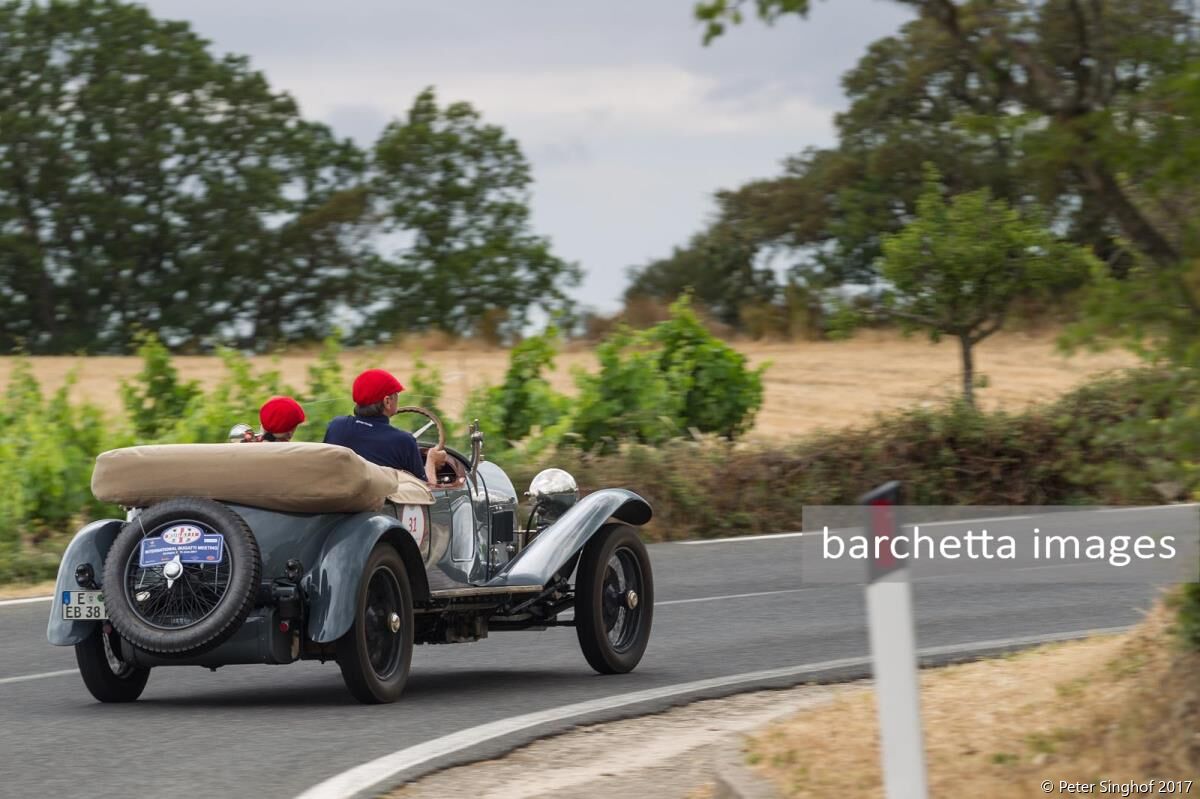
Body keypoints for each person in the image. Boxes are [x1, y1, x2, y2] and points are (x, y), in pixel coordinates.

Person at [323, 369, 446, 486]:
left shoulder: (337, 426)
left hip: (333, 502)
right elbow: (427, 492)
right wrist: (431, 459)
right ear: (387, 401)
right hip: (378, 506)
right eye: (396, 395)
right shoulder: (404, 441)